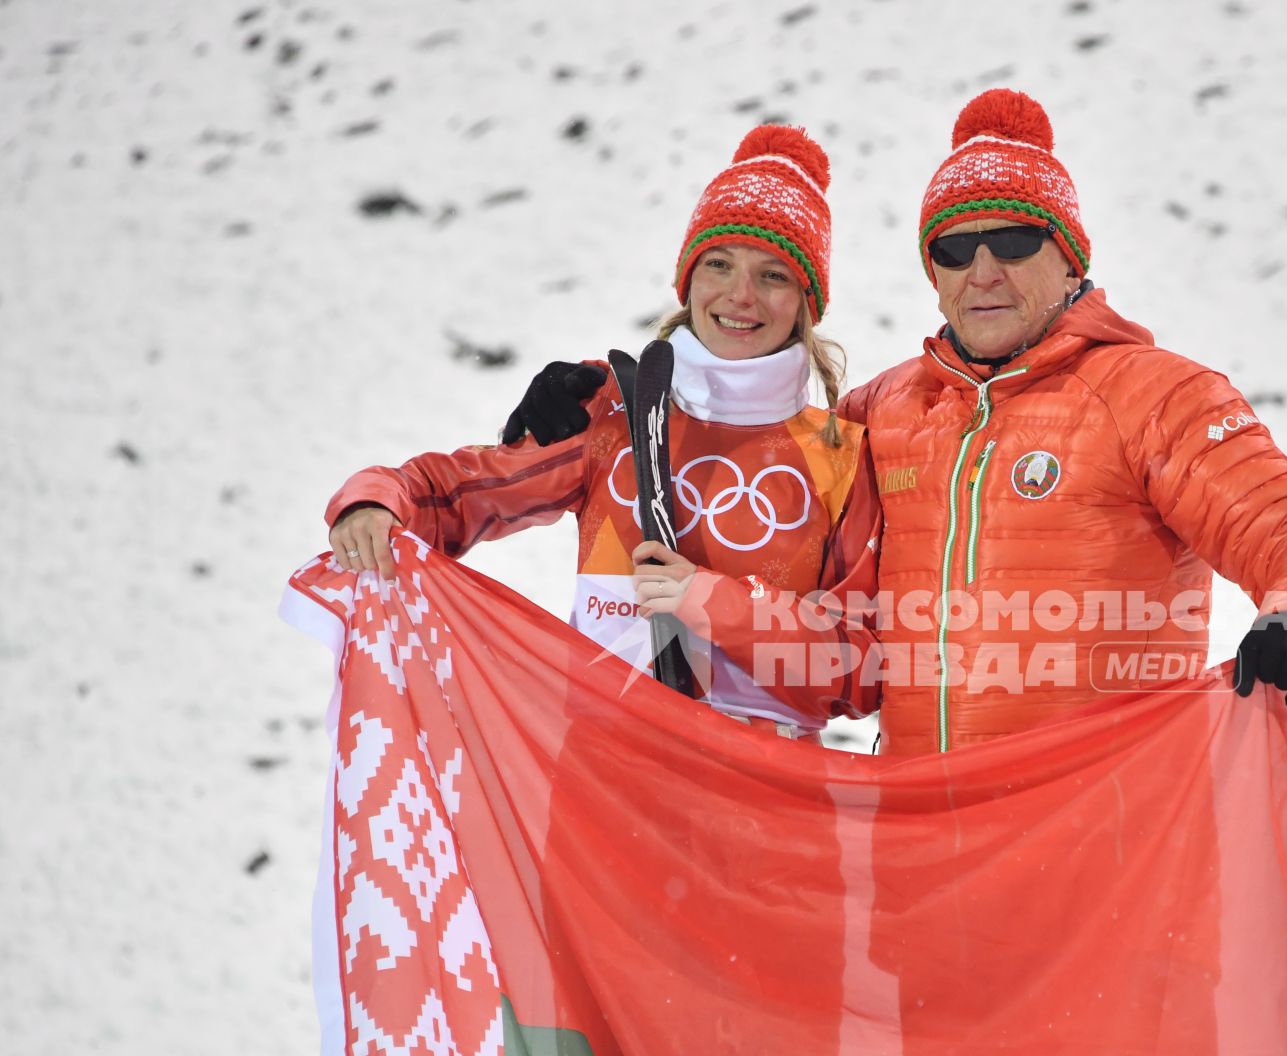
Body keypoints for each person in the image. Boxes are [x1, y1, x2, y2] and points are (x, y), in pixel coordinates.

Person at [831, 87, 1287, 754]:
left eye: (1014, 241)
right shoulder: (879, 411)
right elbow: (763, 518)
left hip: (1100, 824)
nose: (984, 272)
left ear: (1069, 262)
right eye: (954, 250)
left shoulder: (1153, 396)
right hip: (924, 834)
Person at [324, 123, 879, 739]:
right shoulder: (618, 414)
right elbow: (462, 493)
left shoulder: (843, 454)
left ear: (807, 300)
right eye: (718, 264)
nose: (740, 295)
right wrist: (376, 500)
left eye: (774, 274)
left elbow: (858, 672)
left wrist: (712, 603)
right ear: (688, 281)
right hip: (605, 783)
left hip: (766, 805)